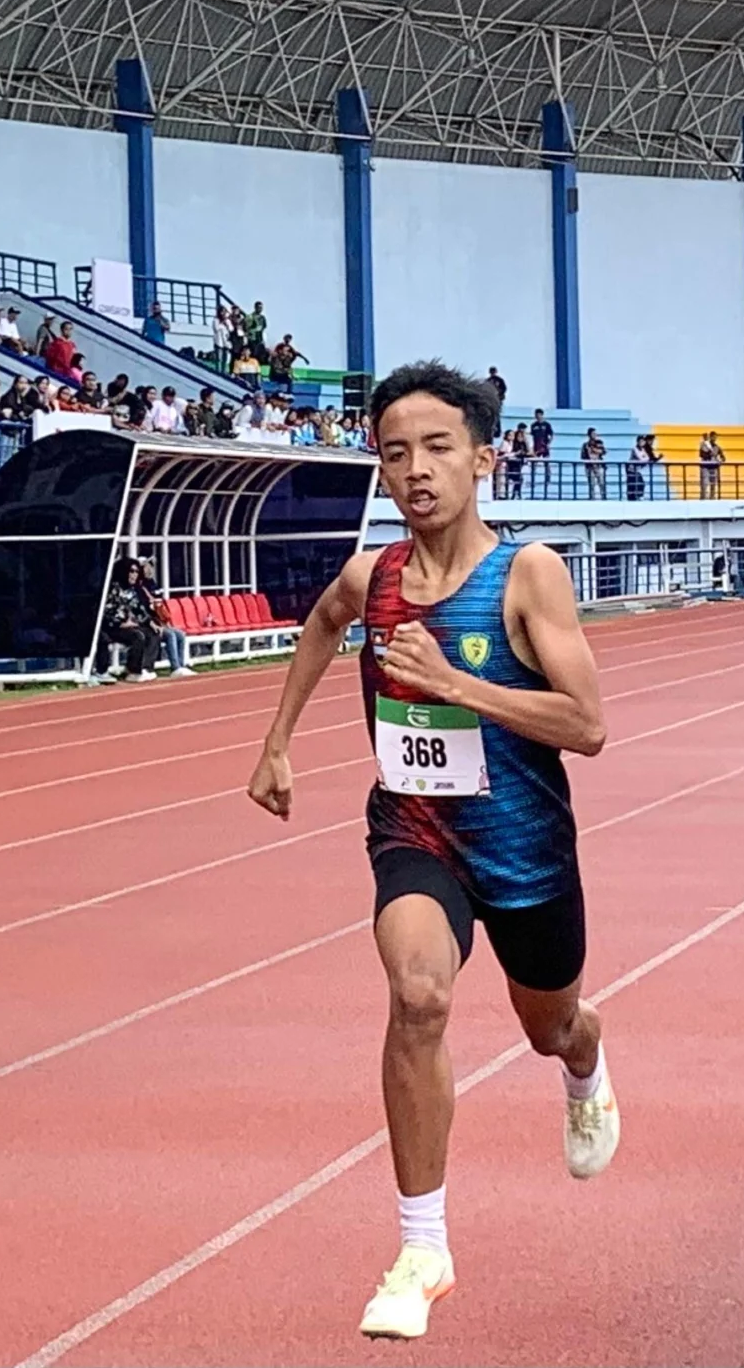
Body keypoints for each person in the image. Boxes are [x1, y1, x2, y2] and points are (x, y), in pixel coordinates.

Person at [247, 361, 614, 1342]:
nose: (415, 469)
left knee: (551, 1023)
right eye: (395, 452)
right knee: (417, 994)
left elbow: (586, 723)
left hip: (526, 847)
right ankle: (422, 1246)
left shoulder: (527, 572)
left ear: (483, 458)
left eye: (437, 447)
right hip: (416, 830)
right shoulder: (374, 576)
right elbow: (325, 621)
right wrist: (277, 740)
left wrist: (457, 680)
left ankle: (585, 1059)